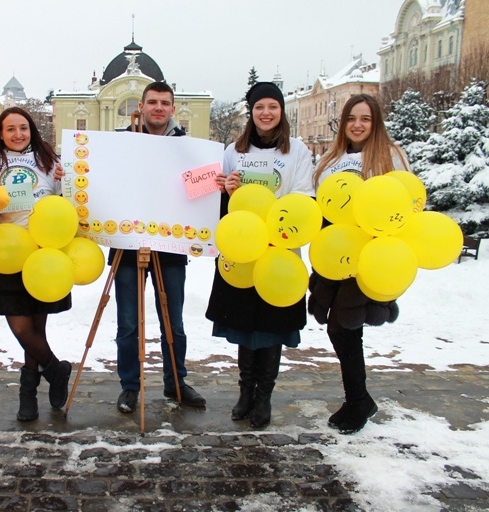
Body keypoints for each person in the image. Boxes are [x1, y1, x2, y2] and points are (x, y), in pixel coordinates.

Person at [205, 82, 315, 428]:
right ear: (250, 112)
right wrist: (228, 189)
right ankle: (245, 392)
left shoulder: (296, 150)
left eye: (272, 106)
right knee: (245, 324)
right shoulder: (233, 150)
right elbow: (218, 198)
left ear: (281, 111)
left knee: (271, 327)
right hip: (242, 248)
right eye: (259, 107)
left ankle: (264, 396)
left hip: (279, 249)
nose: (266, 113)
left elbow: (303, 198)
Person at [309, 93, 408, 434]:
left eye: (365, 118)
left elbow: (403, 207)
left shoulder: (389, 157)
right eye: (352, 118)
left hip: (369, 256)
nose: (358, 124)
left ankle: (358, 401)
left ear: (375, 122)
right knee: (338, 327)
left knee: (344, 326)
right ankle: (357, 399)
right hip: (335, 252)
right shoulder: (332, 157)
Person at [110, 81, 206, 414]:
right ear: (142, 105)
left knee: (172, 321)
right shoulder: (122, 141)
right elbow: (102, 179)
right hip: (127, 242)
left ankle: (176, 382)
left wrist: (215, 183)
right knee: (128, 322)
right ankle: (130, 386)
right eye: (153, 102)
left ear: (173, 108)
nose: (159, 108)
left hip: (170, 244)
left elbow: (198, 187)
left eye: (165, 102)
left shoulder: (185, 146)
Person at [0, 107, 72, 421]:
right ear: (0, 134)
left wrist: (65, 181)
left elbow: (67, 201)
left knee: (36, 327)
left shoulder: (51, 161)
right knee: (21, 327)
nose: (18, 134)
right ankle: (57, 371)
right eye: (10, 129)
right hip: (7, 250)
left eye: (23, 128)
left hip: (44, 252)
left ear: (31, 129)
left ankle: (28, 394)